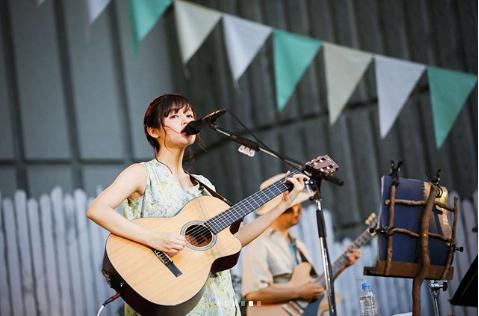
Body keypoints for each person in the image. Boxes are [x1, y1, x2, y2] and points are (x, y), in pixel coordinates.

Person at [86, 94, 308, 316]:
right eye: (175, 116)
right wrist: (154, 239)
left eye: (189, 115)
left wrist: (280, 206)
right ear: (153, 131)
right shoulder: (142, 173)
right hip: (168, 295)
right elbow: (97, 210)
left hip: (217, 301)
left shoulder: (203, 185)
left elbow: (233, 242)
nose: (186, 120)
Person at [241, 173, 361, 312]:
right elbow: (253, 294)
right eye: (292, 206)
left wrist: (343, 264)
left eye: (300, 205)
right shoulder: (259, 244)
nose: (298, 210)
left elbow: (312, 287)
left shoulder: (298, 245)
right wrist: (298, 292)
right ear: (276, 209)